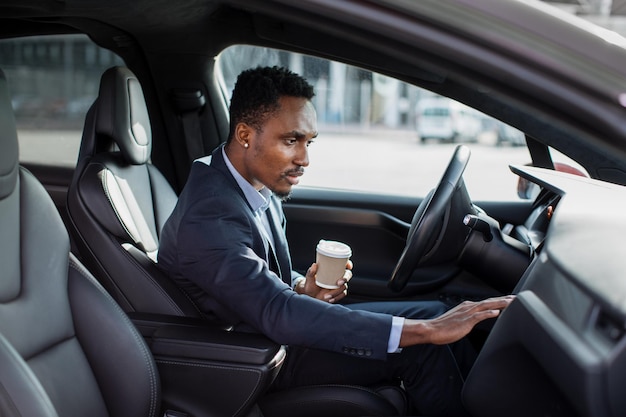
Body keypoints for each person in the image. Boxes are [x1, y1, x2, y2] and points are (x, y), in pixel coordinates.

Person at [157, 65, 514, 416]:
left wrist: (301, 286)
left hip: (268, 329)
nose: (305, 159)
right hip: (252, 356)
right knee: (422, 344)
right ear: (246, 135)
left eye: (309, 142)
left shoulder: (244, 183)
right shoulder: (211, 215)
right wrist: (426, 332)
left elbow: (259, 279)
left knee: (436, 312)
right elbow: (278, 312)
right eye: (291, 140)